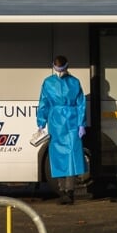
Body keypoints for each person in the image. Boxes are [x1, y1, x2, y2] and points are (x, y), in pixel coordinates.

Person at [36, 55, 87, 203]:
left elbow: (81, 104)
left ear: (66, 67)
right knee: (57, 156)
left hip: (71, 122)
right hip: (56, 123)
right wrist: (41, 121)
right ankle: (62, 189)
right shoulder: (48, 83)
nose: (60, 71)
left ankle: (69, 191)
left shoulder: (74, 82)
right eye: (58, 69)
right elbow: (43, 102)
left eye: (62, 69)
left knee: (71, 156)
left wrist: (81, 123)